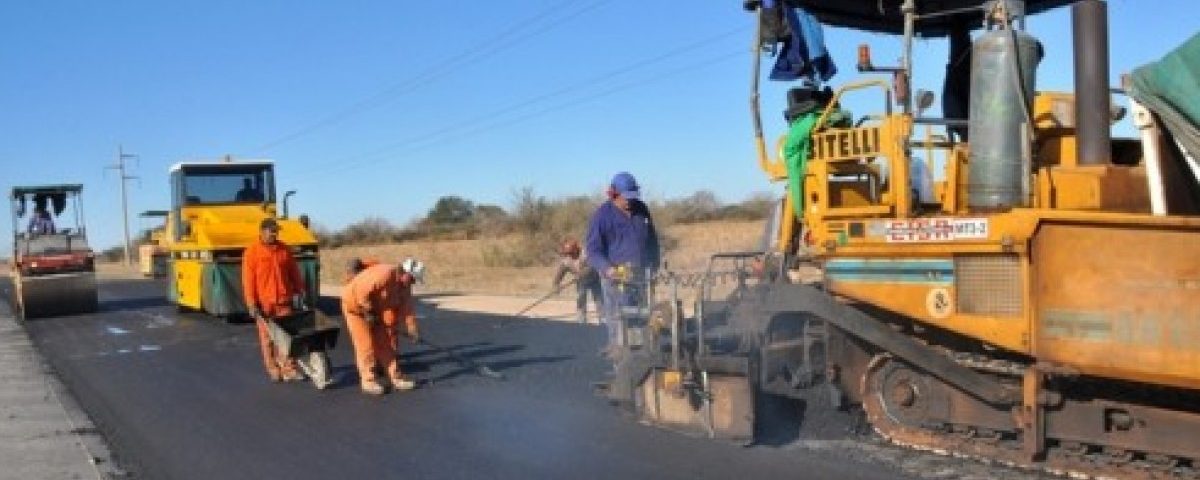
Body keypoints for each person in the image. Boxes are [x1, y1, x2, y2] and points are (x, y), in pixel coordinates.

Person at [585, 172, 661, 358]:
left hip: (642, 275)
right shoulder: (602, 216)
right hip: (616, 278)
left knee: (644, 316)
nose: (629, 201)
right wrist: (607, 268)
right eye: (625, 197)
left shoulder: (642, 209)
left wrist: (656, 265)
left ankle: (645, 355)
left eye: (632, 197)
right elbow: (593, 250)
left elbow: (652, 240)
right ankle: (621, 361)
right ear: (613, 194)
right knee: (619, 319)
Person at [241, 218, 306, 382]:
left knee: (287, 336)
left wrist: (300, 291)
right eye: (272, 231)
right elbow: (248, 280)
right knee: (267, 339)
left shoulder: (284, 249)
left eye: (276, 231)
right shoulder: (252, 252)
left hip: (284, 300)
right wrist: (251, 303)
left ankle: (289, 369)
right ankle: (273, 369)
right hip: (264, 303)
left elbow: (294, 272)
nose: (275, 234)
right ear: (262, 231)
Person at [342, 259, 419, 395]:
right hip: (355, 309)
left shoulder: (404, 287)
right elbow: (361, 291)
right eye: (412, 278)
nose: (413, 282)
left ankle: (396, 377)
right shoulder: (384, 274)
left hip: (375, 311)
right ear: (405, 272)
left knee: (385, 343)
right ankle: (368, 381)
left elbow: (406, 308)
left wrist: (412, 329)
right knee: (366, 345)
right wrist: (367, 312)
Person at [553, 238, 601, 324]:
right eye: (567, 253)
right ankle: (581, 323)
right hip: (581, 282)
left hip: (595, 280)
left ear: (576, 250)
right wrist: (556, 285)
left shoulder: (586, 254)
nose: (569, 255)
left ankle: (604, 322)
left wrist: (581, 274)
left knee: (599, 302)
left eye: (571, 253)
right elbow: (559, 274)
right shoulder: (566, 260)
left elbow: (592, 267)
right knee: (580, 301)